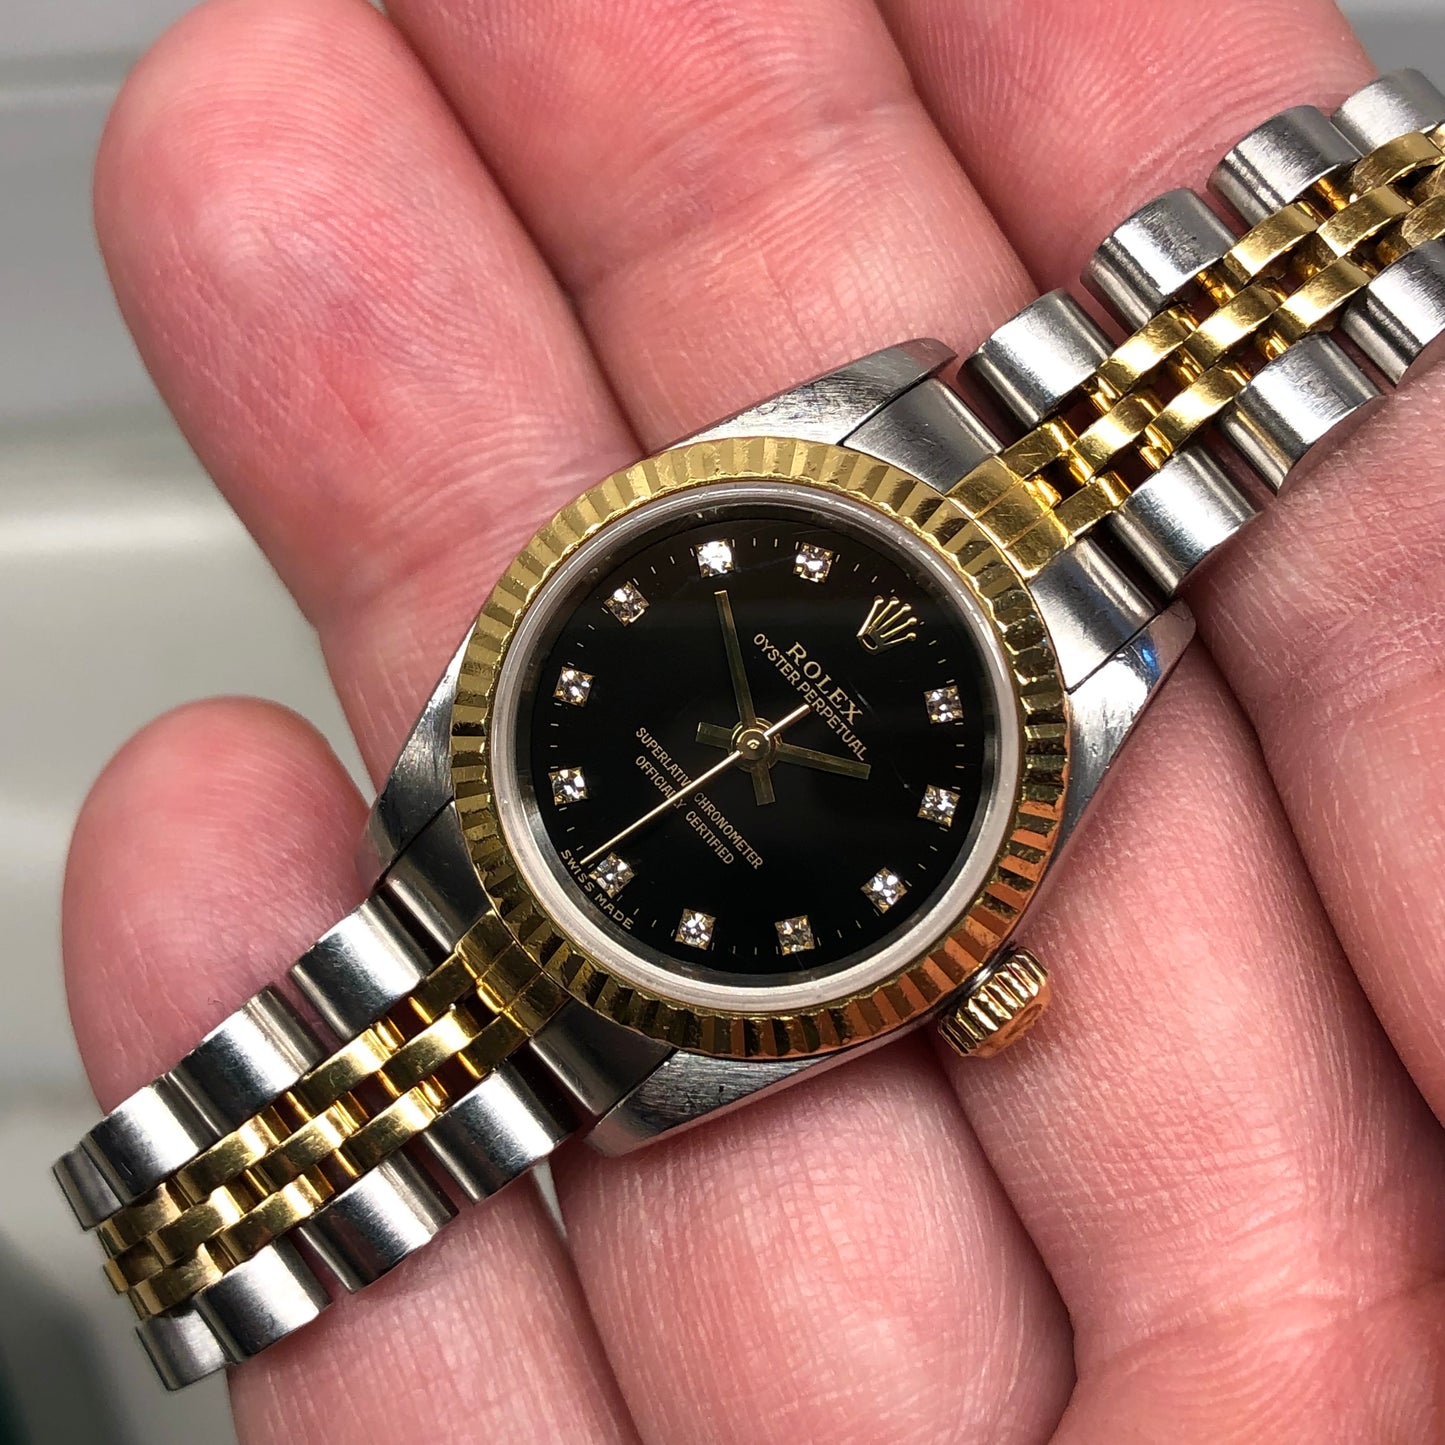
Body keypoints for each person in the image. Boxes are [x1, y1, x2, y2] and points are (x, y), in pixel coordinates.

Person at [64, 0, 1445, 1439]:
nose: (752, 741)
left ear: (957, 963)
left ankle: (184, 1249)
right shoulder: (1088, 664)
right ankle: (178, 1236)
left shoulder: (1094, 669)